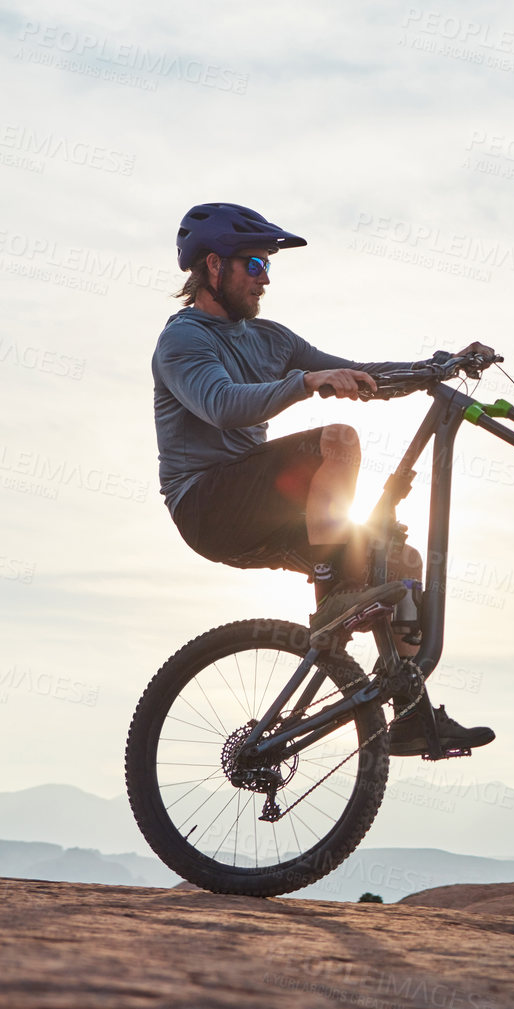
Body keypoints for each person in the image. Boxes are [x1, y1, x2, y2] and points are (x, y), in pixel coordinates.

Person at [152, 202, 492, 756]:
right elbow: (220, 404)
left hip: (265, 509)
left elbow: (360, 377)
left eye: (268, 265)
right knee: (337, 440)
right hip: (206, 502)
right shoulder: (183, 341)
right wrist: (307, 383)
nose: (266, 279)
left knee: (399, 566)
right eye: (255, 266)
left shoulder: (272, 339)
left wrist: (439, 367)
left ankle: (407, 714)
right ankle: (335, 591)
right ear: (213, 267)